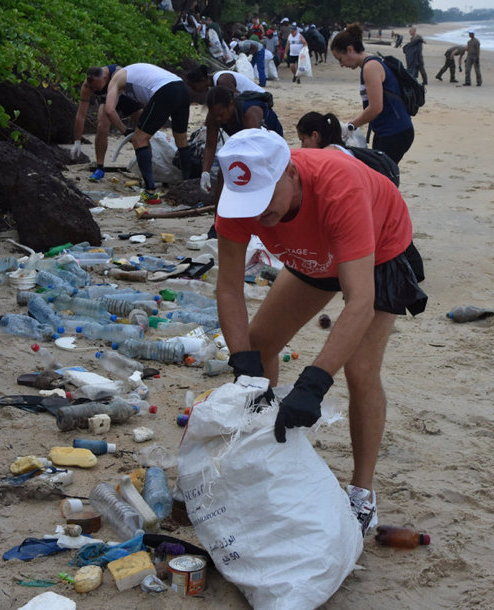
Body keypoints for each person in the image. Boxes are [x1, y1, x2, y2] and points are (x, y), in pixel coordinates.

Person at [212, 128, 427, 536]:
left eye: (263, 202)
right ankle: (259, 450)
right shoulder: (239, 199)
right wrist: (244, 368)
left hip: (377, 250)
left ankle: (362, 494)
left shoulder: (337, 186)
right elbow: (228, 287)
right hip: (312, 256)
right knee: (257, 348)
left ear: (291, 173)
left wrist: (314, 383)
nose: (255, 216)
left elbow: (360, 301)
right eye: (247, 204)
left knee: (359, 371)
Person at [72, 63, 193, 204]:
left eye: (97, 87)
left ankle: (150, 192)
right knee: (181, 140)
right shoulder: (122, 77)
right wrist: (77, 141)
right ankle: (189, 185)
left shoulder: (115, 77)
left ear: (106, 77)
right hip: (181, 88)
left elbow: (110, 110)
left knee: (138, 139)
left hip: (163, 91)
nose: (95, 90)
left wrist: (125, 131)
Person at [330, 23, 415, 164]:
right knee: (381, 176)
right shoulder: (370, 63)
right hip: (387, 131)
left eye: (340, 59)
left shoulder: (370, 67)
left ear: (350, 49)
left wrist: (350, 126)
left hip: (395, 132)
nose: (341, 64)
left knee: (382, 178)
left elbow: (376, 108)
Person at [198, 85, 284, 202]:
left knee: (263, 178)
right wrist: (205, 172)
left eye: (221, 115)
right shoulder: (215, 115)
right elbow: (210, 145)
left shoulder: (250, 113)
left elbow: (254, 152)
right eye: (215, 115)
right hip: (242, 140)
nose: (218, 118)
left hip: (268, 142)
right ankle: (218, 219)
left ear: (231, 105)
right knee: (222, 175)